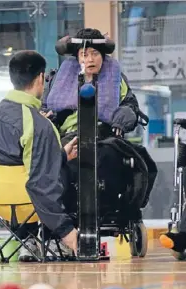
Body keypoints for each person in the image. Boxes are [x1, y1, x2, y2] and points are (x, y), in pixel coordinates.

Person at [43, 27, 157, 218]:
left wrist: (122, 120)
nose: (89, 59)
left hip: (105, 136)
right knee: (59, 163)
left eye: (95, 53)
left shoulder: (115, 79)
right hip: (69, 137)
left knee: (125, 161)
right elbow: (46, 108)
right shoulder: (59, 79)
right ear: (77, 57)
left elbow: (130, 105)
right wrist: (48, 120)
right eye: (84, 54)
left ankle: (111, 208)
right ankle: (65, 213)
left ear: (103, 56)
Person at [0, 50, 78, 262]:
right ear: (41, 78)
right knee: (69, 175)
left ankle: (28, 242)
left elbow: (14, 164)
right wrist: (67, 231)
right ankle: (55, 241)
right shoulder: (39, 124)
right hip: (30, 206)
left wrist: (59, 156)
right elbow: (41, 183)